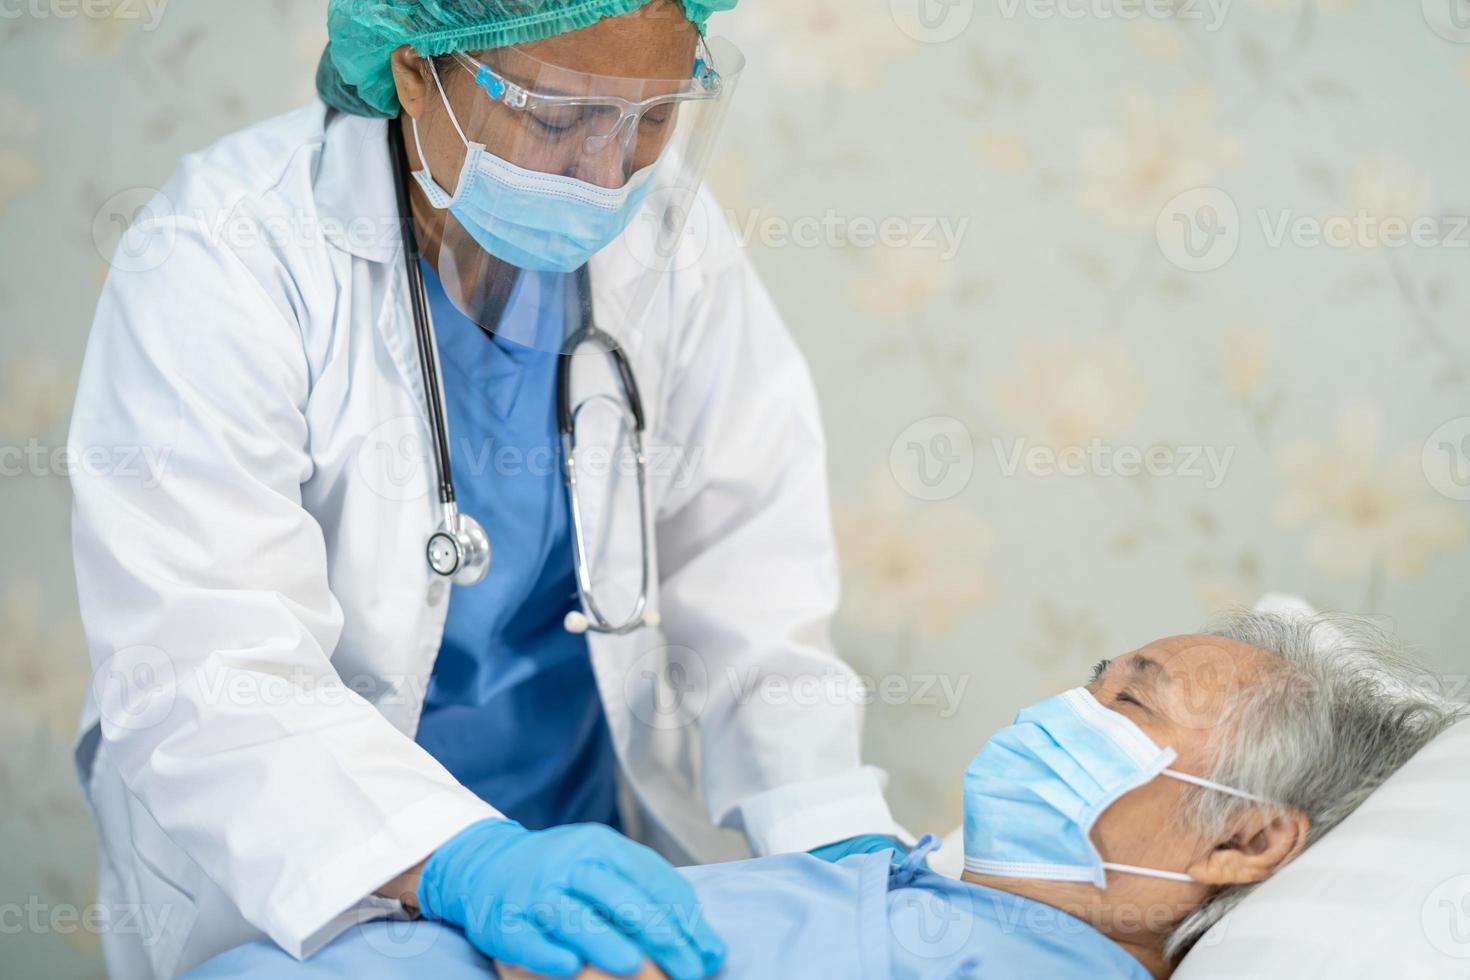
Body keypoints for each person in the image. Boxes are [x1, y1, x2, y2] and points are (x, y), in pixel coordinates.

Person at [68, 3, 904, 978]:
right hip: (331, 875)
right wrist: (463, 856)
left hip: (582, 849)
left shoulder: (669, 232)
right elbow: (206, 661)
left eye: (654, 118)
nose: (608, 171)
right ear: (419, 75)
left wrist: (829, 822)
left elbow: (752, 575)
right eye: (557, 118)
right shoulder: (226, 252)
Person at [181, 611, 1464, 979]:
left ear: (1246, 836)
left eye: (1128, 704)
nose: (1060, 712)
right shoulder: (923, 885)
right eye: (1089, 676)